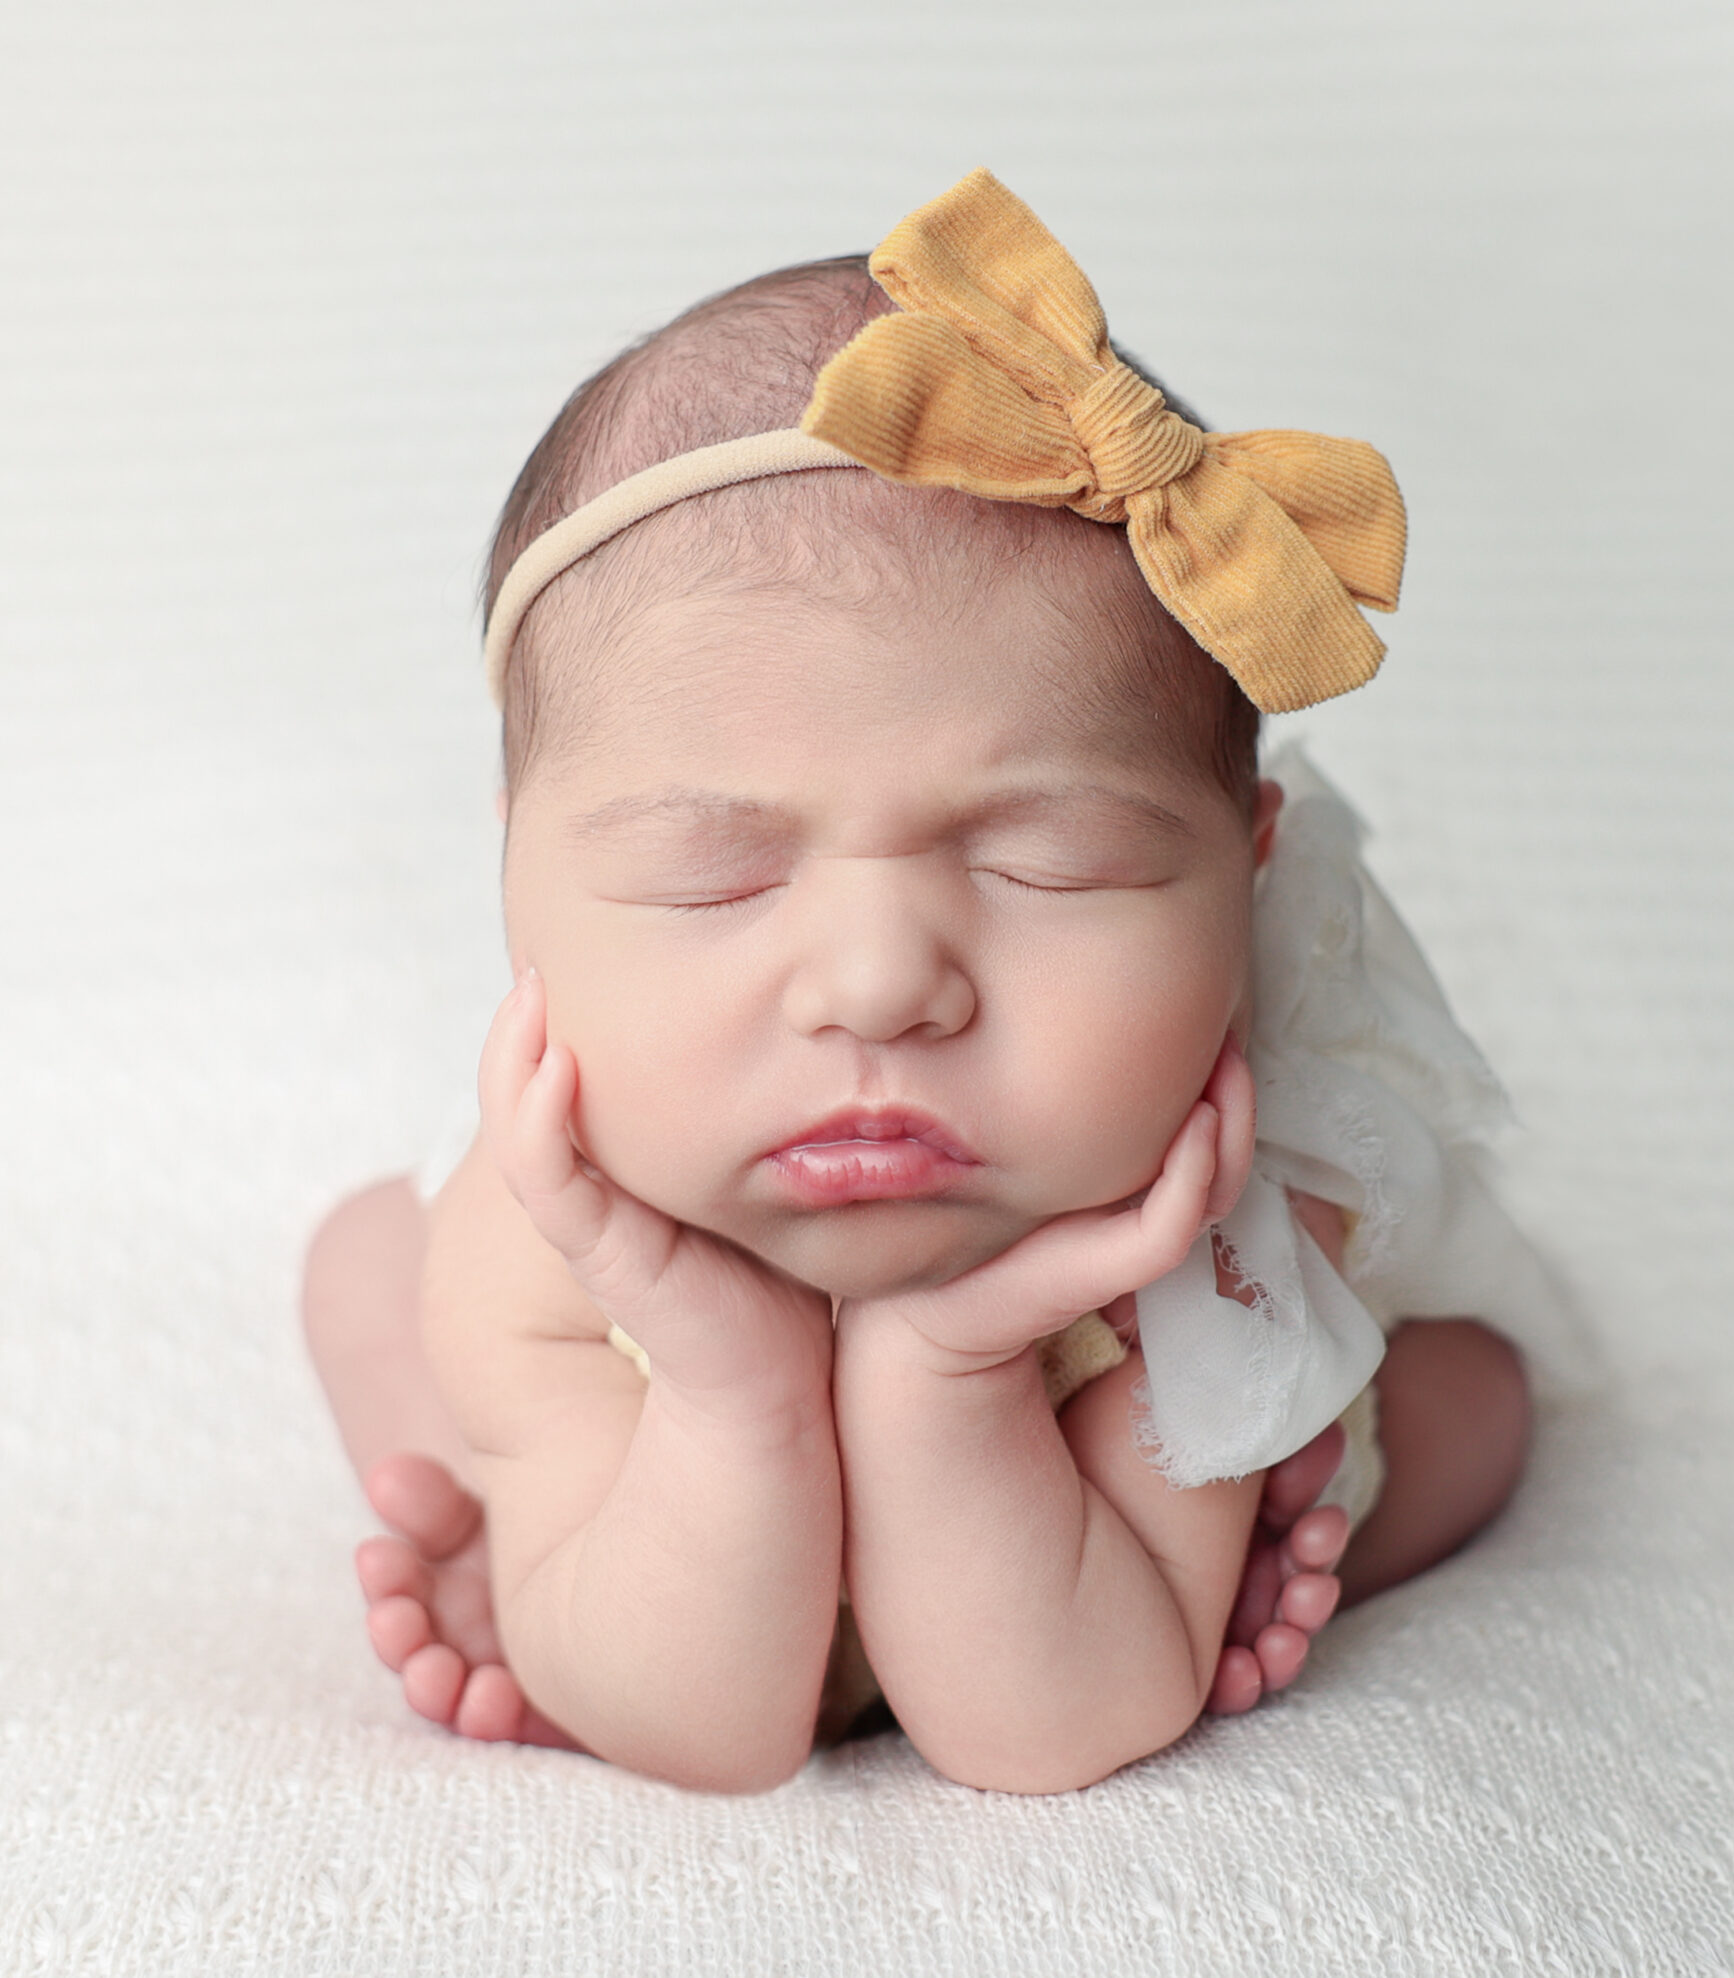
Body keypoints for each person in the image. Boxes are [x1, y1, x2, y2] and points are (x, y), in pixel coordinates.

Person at [303, 172, 1554, 1794]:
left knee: (1467, 1409)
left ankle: (1248, 1547)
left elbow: (1045, 1731)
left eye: (1048, 866)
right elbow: (720, 1734)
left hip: (1064, 1579)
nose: (882, 986)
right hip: (674, 1511)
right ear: (518, 879)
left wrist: (952, 1370)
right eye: (717, 875)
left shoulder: (1213, 1231)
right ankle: (538, 1533)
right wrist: (728, 1377)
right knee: (365, 1268)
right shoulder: (550, 1228)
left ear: (1244, 869)